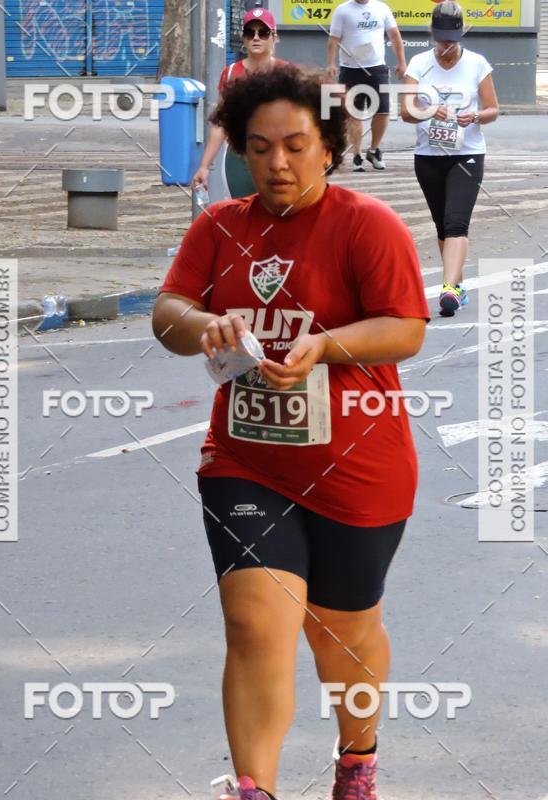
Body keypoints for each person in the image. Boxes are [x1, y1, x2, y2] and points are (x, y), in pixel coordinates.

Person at [153, 64, 429, 800]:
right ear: (242, 151)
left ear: (330, 147)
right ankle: (254, 790)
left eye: (297, 145)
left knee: (342, 632)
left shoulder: (368, 226)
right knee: (254, 625)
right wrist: (210, 323)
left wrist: (325, 345)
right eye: (261, 146)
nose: (278, 162)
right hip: (247, 462)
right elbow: (168, 313)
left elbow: (406, 328)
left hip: (359, 467)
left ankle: (357, 757)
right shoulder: (219, 227)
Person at [401, 1, 499, 317]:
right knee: (443, 225)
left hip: (467, 154)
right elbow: (406, 111)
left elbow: (493, 109)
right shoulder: (418, 64)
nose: (447, 45)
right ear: (433, 34)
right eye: (442, 38)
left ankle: (447, 290)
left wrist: (476, 117)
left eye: (453, 39)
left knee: (457, 222)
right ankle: (456, 284)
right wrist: (429, 110)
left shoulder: (477, 64)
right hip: (428, 155)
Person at [191, 9, 284, 199]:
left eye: (263, 33)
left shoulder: (286, 73)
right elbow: (221, 123)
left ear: (274, 37)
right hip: (238, 159)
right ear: (243, 38)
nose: (256, 38)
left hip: (276, 157)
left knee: (277, 217)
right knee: (242, 216)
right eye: (250, 33)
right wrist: (204, 166)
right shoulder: (231, 73)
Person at [327, 0, 406, 172]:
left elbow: (394, 36)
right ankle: (357, 154)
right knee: (354, 114)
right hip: (350, 69)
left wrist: (402, 62)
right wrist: (331, 63)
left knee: (383, 110)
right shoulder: (343, 10)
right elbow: (333, 39)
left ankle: (374, 150)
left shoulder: (382, 8)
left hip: (377, 68)